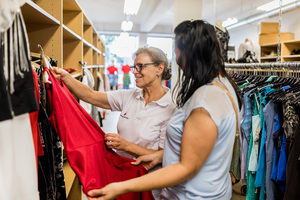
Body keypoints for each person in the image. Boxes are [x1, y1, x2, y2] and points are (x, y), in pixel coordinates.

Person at [87, 19, 242, 200]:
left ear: (191, 54)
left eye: (178, 53)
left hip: (190, 195)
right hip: (214, 190)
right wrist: (161, 157)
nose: (176, 60)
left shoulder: (203, 103)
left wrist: (122, 187)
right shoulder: (226, 86)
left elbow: (186, 168)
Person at [53, 46, 176, 199]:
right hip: (120, 176)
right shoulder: (130, 96)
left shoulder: (171, 109)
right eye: (134, 66)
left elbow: (165, 156)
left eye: (140, 66)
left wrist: (126, 146)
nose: (134, 71)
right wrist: (65, 77)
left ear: (159, 68)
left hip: (148, 185)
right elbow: (90, 95)